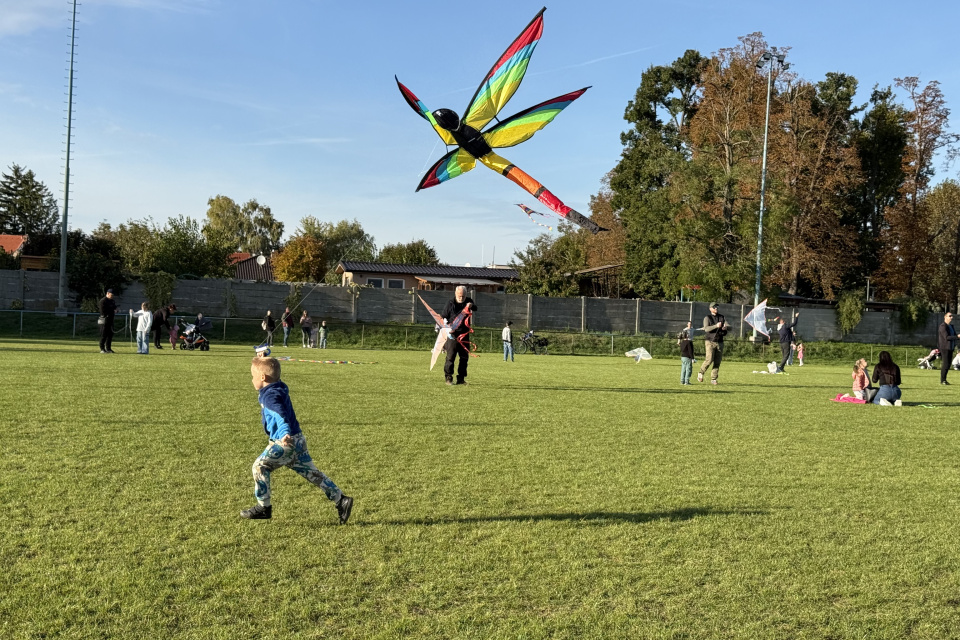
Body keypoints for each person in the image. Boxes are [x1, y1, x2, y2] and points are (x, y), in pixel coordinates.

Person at [241, 356, 354, 523]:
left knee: (259, 466)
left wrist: (284, 433)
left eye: (253, 376)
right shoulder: (279, 387)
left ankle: (263, 507)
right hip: (298, 440)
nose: (252, 379)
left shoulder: (270, 396)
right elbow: (272, 374)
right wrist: (263, 357)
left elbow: (281, 415)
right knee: (312, 473)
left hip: (285, 442)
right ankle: (341, 500)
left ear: (263, 378)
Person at [441, 285, 476, 385]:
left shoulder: (469, 301)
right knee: (450, 357)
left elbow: (475, 307)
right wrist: (447, 327)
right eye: (459, 296)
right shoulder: (450, 303)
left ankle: (461, 379)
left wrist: (470, 306)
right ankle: (448, 378)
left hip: (464, 334)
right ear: (455, 294)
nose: (461, 298)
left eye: (463, 296)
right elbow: (443, 317)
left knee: (464, 358)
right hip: (452, 335)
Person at [697, 302, 726, 385]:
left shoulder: (722, 317)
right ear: (710, 309)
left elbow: (728, 328)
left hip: (720, 341)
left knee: (717, 361)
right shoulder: (707, 318)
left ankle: (714, 378)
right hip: (710, 341)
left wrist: (725, 328)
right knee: (709, 359)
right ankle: (701, 373)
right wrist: (716, 326)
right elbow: (706, 329)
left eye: (717, 307)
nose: (716, 308)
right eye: (714, 307)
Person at [938, 311, 957, 385]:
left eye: (952, 316)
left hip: (951, 347)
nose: (951, 317)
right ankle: (943, 380)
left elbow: (954, 336)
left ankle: (944, 379)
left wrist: (957, 337)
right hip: (945, 348)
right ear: (945, 317)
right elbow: (947, 337)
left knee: (948, 364)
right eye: (950, 316)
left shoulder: (951, 326)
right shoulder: (943, 326)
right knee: (945, 364)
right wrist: (957, 337)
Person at [98, 289, 119, 354]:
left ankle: (108, 348)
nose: (112, 296)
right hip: (104, 320)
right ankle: (102, 348)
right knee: (104, 335)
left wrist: (116, 310)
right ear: (108, 293)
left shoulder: (112, 301)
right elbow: (102, 311)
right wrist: (112, 311)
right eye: (111, 295)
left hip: (111, 320)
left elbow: (115, 308)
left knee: (110, 335)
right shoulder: (103, 301)